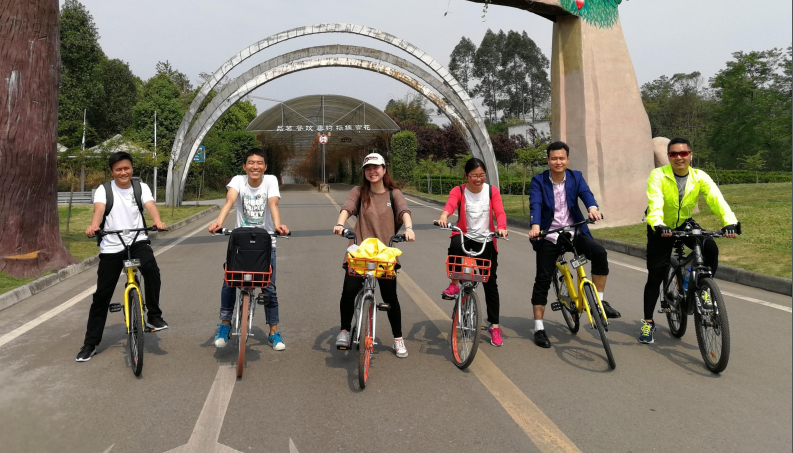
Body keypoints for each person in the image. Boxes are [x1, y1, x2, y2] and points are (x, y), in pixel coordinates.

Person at [640, 137, 738, 344]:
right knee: (656, 275)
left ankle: (704, 289)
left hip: (684, 222)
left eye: (683, 153)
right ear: (668, 157)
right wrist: (658, 224)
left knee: (710, 248)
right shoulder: (658, 175)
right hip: (660, 226)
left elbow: (716, 199)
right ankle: (648, 322)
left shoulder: (699, 176)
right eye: (674, 154)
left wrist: (730, 222)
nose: (679, 157)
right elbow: (655, 201)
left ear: (690, 155)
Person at [527, 141, 621, 349]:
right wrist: (535, 226)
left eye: (562, 158)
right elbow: (536, 203)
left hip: (573, 231)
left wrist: (592, 208)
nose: (558, 162)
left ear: (567, 160)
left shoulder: (575, 177)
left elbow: (586, 193)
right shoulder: (538, 181)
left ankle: (599, 302)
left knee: (600, 254)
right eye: (554, 158)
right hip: (549, 235)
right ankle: (539, 327)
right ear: (548, 160)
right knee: (542, 279)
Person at [78, 151, 168, 362]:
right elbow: (99, 210)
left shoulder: (141, 187)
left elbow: (150, 206)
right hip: (111, 245)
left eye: (126, 168)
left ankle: (154, 316)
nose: (123, 172)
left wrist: (157, 221)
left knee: (151, 270)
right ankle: (90, 344)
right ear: (112, 172)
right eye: (118, 169)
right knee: (102, 296)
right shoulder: (104, 190)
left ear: (132, 169)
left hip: (137, 240)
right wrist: (94, 226)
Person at [333, 153, 415, 358]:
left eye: (376, 167)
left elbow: (404, 211)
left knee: (390, 297)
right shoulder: (359, 192)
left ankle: (398, 338)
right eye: (368, 168)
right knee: (349, 291)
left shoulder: (393, 193)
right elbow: (347, 208)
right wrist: (340, 224)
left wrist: (409, 228)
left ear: (384, 170)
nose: (372, 171)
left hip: (385, 255)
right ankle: (344, 331)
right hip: (360, 253)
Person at [208, 149, 290, 351]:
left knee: (269, 287)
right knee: (229, 282)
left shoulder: (270, 181)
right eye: (251, 163)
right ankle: (225, 325)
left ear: (265, 166)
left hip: (265, 243)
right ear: (244, 166)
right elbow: (229, 201)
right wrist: (219, 222)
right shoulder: (238, 181)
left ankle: (273, 333)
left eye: (259, 163)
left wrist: (278, 226)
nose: (255, 166)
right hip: (240, 244)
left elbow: (273, 203)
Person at [437, 158, 508, 346]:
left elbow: (500, 212)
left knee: (490, 284)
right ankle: (454, 284)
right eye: (474, 175)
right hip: (465, 236)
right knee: (455, 244)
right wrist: (444, 216)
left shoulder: (492, 191)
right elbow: (450, 205)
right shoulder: (459, 190)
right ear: (466, 175)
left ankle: (494, 326)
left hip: (486, 239)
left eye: (481, 175)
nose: (478, 179)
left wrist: (501, 227)